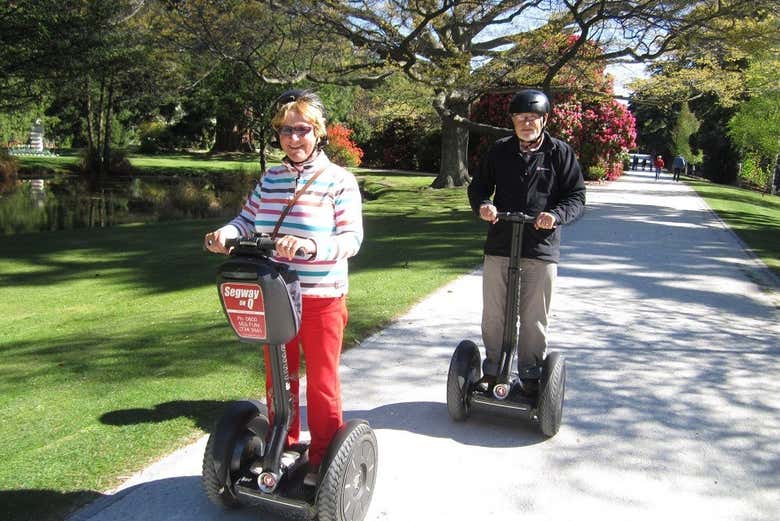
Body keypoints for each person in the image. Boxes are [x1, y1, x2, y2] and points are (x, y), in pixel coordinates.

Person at [204, 89, 363, 487]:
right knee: (279, 377)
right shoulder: (271, 177)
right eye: (286, 131)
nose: (293, 138)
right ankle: (284, 442)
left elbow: (351, 240)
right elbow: (246, 219)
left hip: (320, 296)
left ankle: (325, 460)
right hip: (273, 292)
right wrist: (224, 234)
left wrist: (311, 247)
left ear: (319, 132)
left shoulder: (338, 181)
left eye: (302, 129)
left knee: (323, 381)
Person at [467, 89, 585, 391]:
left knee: (534, 317)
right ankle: (492, 371)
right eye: (520, 118)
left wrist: (556, 215)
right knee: (494, 314)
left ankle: (531, 374)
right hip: (501, 241)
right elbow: (478, 186)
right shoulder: (500, 150)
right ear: (513, 121)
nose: (526, 123)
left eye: (532, 118)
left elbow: (577, 196)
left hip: (540, 246)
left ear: (544, 120)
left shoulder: (560, 153)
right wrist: (483, 205)